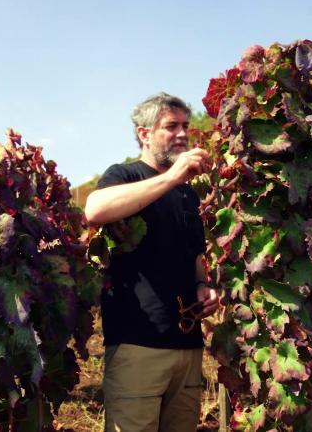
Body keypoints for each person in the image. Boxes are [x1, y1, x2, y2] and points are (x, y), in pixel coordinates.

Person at [84, 92, 221, 432]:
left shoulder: (188, 193)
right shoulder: (125, 174)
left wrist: (202, 285)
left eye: (185, 126)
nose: (182, 133)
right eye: (171, 126)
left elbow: (195, 253)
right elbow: (95, 209)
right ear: (144, 134)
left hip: (187, 346)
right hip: (137, 343)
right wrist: (172, 177)